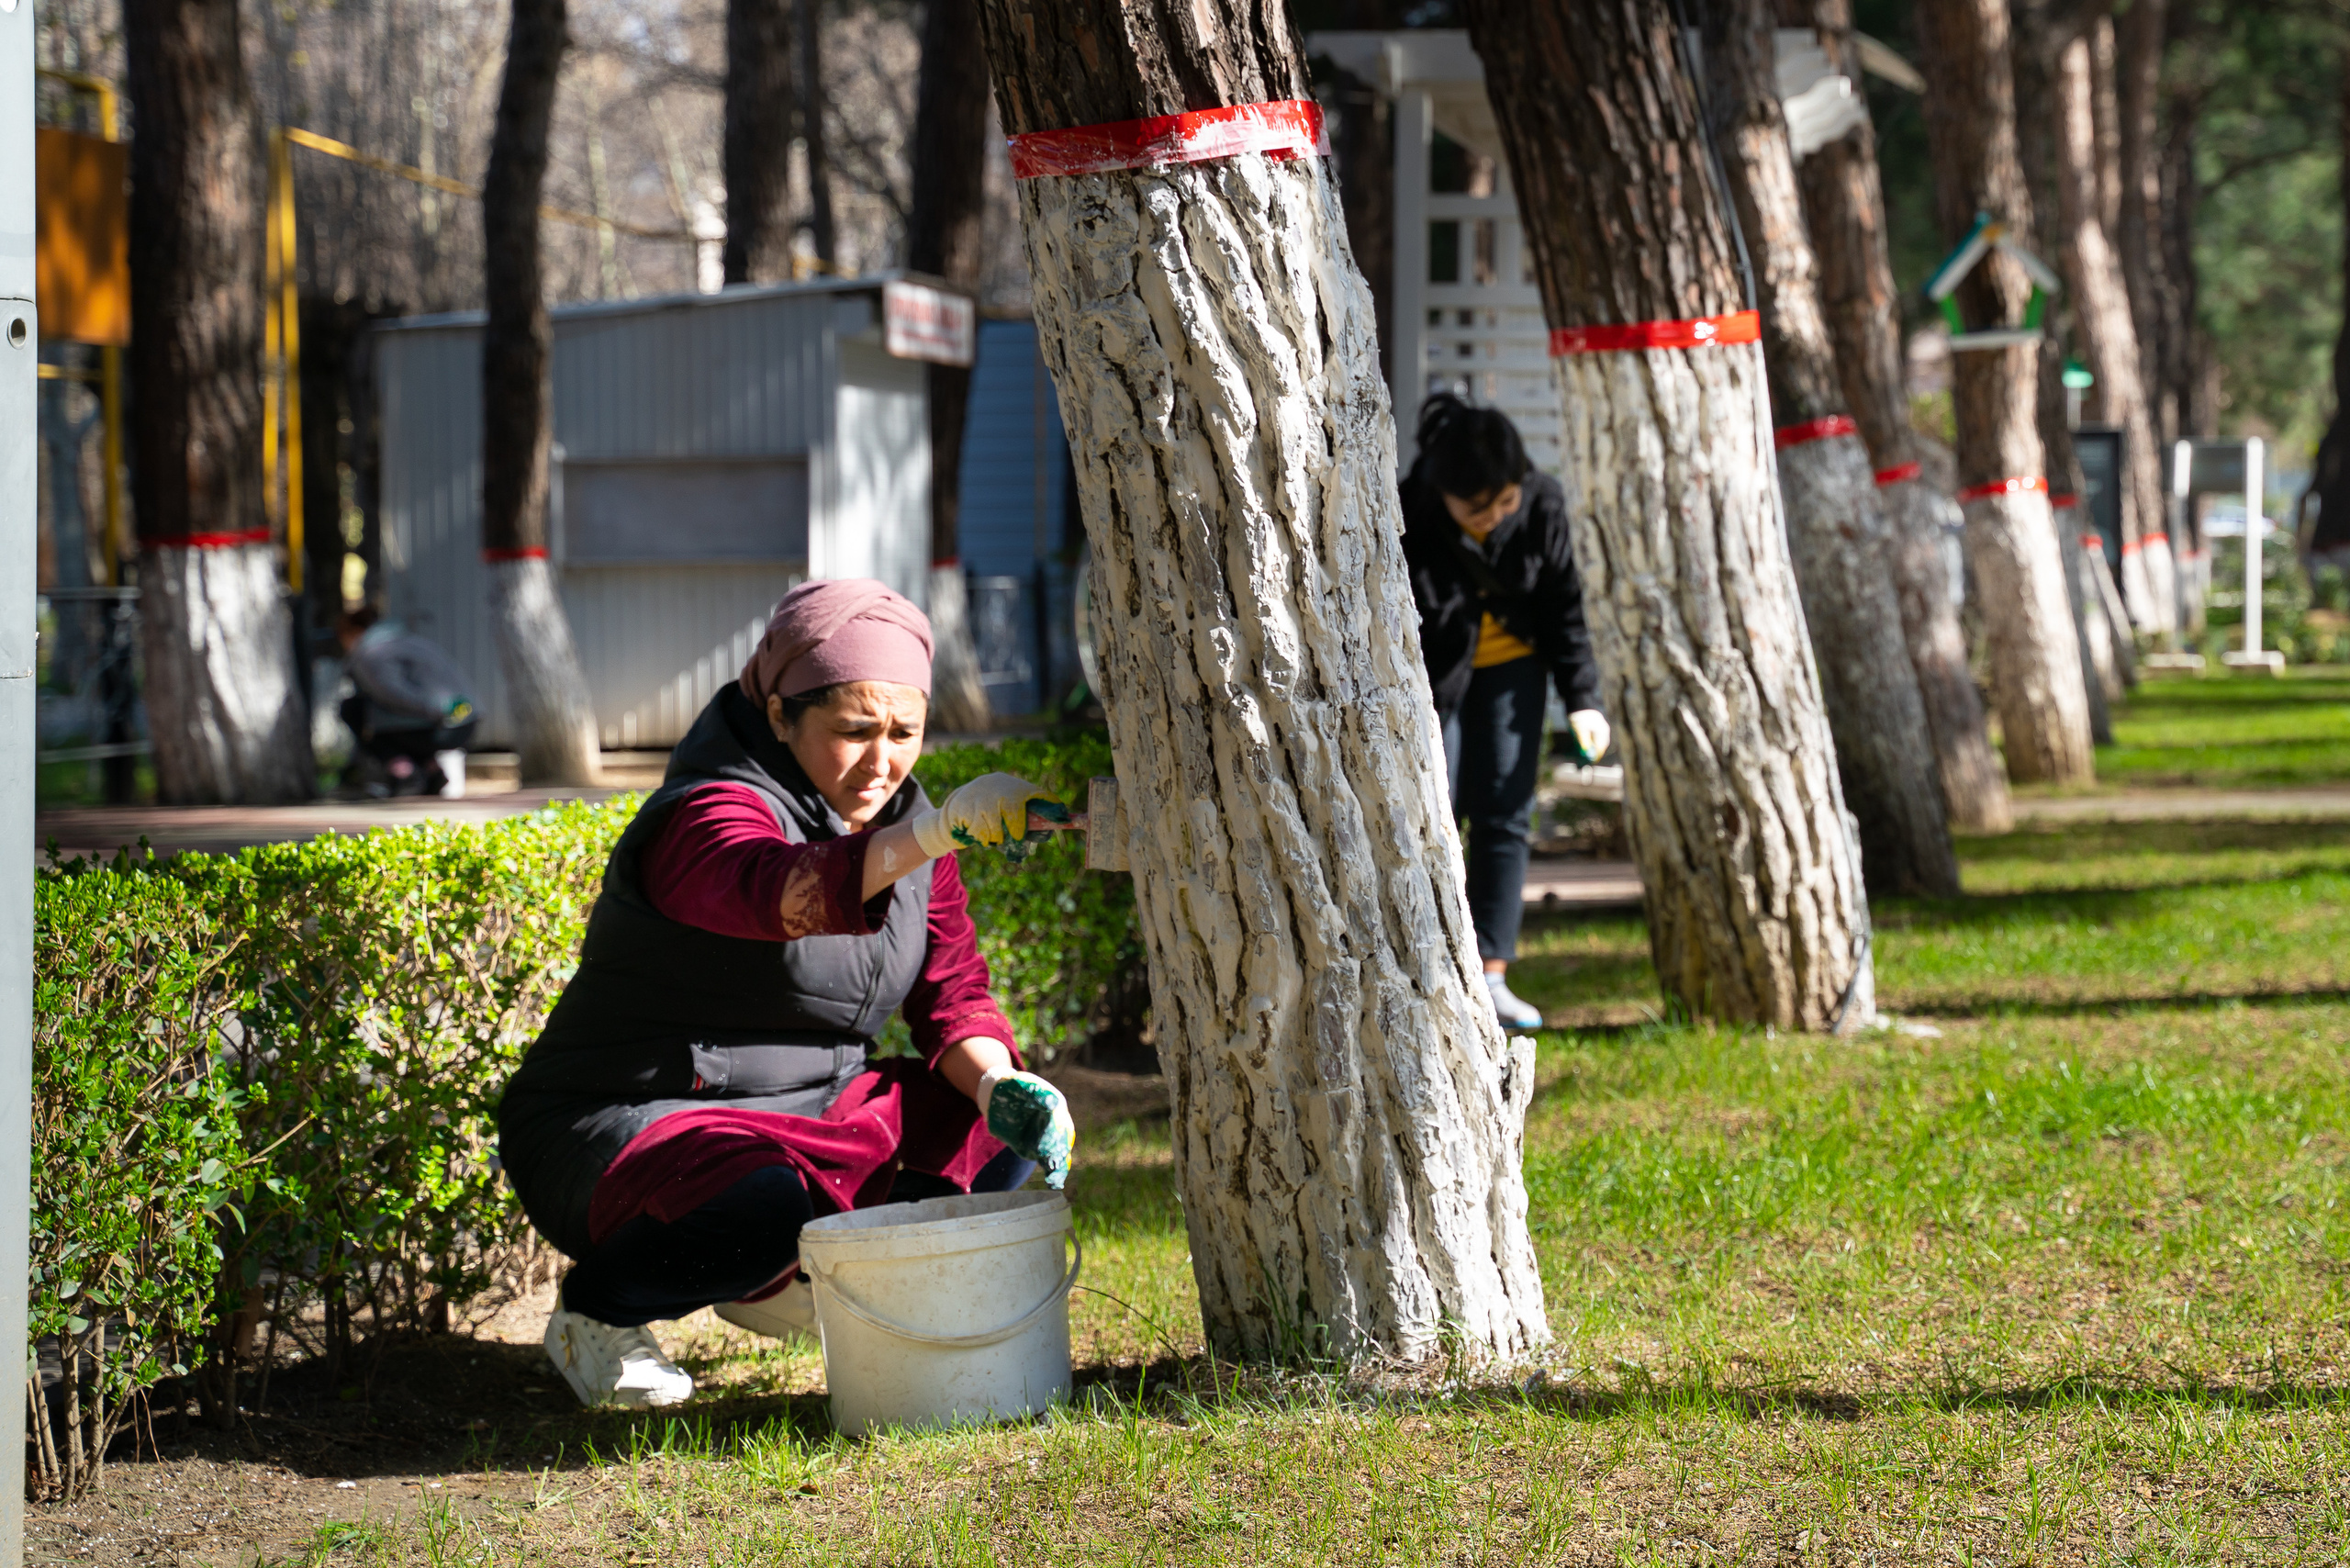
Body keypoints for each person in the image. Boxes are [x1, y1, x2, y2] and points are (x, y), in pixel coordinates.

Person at [496, 577, 1080, 1409]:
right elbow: (776, 888)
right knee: (763, 1199)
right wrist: (933, 832)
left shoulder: (911, 830)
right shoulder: (703, 813)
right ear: (778, 716)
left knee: (996, 1133)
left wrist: (998, 1084)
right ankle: (599, 1313)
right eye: (853, 731)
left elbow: (954, 998)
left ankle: (783, 1277)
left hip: (815, 1111)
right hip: (628, 1117)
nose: (884, 762)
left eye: (905, 733)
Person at [1400, 395, 1607, 1032]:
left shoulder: (1541, 503)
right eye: (1478, 509)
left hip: (1516, 674)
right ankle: (1423, 960)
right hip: (1438, 681)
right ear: (1446, 492)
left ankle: (1491, 974)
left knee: (1506, 817)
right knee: (1433, 811)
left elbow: (1563, 604)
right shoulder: (1413, 509)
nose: (1493, 518)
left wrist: (1583, 699)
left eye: (1503, 503)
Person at [336, 608, 478, 798]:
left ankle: (404, 771)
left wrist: (439, 711)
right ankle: (431, 770)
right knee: (382, 715)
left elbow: (394, 695)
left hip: (445, 721)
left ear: (354, 632)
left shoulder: (372, 653)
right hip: (467, 718)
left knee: (354, 710)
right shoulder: (406, 640)